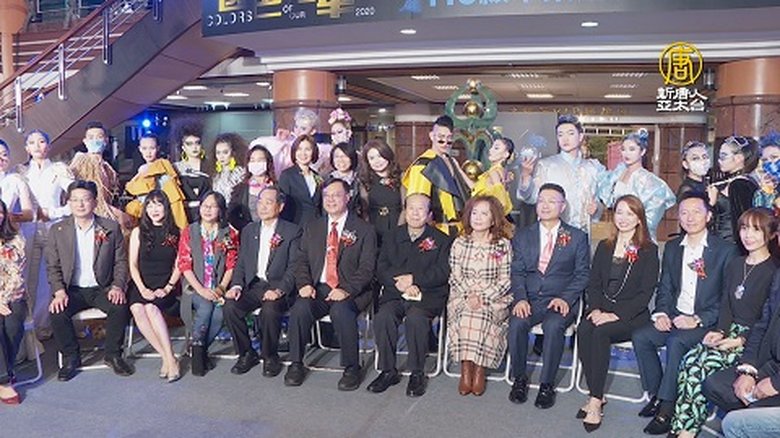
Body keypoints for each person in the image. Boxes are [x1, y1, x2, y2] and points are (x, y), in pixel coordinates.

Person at [632, 191, 737, 435]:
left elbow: (726, 298)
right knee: (642, 337)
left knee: (676, 341)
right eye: (684, 213)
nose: (690, 218)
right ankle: (658, 394)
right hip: (676, 315)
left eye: (696, 212)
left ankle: (667, 409)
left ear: (708, 216)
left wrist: (698, 319)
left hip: (706, 322)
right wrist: (661, 313)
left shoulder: (725, 250)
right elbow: (666, 287)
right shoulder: (672, 247)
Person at [672, 208, 778, 437]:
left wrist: (740, 340)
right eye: (744, 228)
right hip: (729, 331)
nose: (748, 235)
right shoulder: (735, 264)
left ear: (770, 234)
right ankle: (683, 426)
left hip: (752, 340)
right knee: (689, 359)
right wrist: (720, 330)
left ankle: (686, 431)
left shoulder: (773, 271)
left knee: (699, 367)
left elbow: (766, 321)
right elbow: (726, 304)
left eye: (756, 230)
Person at [283, 178, 376, 391]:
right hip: (319, 286)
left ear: (348, 197)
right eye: (327, 196)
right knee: (300, 308)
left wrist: (346, 290)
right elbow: (300, 260)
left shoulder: (364, 230)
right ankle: (296, 363)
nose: (331, 200)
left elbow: (367, 269)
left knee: (341, 311)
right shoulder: (313, 227)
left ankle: (352, 367)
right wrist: (304, 284)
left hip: (350, 288)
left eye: (336, 195)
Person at [576, 195, 659, 432]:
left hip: (631, 316)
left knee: (600, 333)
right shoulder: (605, 246)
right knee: (584, 329)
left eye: (630, 214)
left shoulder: (649, 250)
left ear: (639, 219)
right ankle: (597, 393)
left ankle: (594, 400)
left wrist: (616, 315)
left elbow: (645, 293)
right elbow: (593, 284)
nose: (623, 218)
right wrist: (595, 308)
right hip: (602, 309)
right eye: (619, 212)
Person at [508, 183, 590, 409]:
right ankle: (519, 379)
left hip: (560, 299)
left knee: (554, 326)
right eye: (541, 201)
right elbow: (517, 271)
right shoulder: (523, 235)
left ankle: (547, 384)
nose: (545, 205)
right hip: (531, 298)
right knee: (517, 323)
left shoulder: (577, 237)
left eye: (552, 201)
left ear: (562, 206)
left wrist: (566, 298)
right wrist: (521, 298)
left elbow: (582, 274)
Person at [47, 180, 133, 381]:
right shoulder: (57, 230)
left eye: (85, 199)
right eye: (75, 200)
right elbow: (52, 267)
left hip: (102, 287)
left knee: (119, 307)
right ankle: (71, 358)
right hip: (72, 289)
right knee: (57, 312)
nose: (80, 204)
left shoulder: (110, 227)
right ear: (69, 203)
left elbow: (121, 262)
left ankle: (113, 355)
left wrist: (117, 286)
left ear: (94, 202)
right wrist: (59, 292)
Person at [368, 193, 452, 397]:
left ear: (429, 214)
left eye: (421, 209)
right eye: (411, 208)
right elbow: (381, 267)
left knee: (416, 319)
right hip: (396, 292)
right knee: (384, 317)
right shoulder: (391, 236)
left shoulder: (442, 240)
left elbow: (442, 272)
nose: (415, 213)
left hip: (426, 295)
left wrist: (415, 280)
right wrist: (401, 284)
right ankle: (388, 370)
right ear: (405, 212)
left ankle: (417, 372)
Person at [223, 186, 301, 377]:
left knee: (270, 309)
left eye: (269, 202)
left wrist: (279, 290)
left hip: (278, 286)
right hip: (254, 285)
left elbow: (295, 267)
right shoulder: (249, 230)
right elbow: (241, 262)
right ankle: (246, 353)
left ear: (280, 206)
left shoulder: (292, 231)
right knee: (230, 306)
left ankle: (270, 356)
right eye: (260, 202)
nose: (263, 206)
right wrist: (236, 285)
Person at [447, 195, 513, 397]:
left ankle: (479, 370)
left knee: (481, 314)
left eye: (484, 214)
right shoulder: (460, 243)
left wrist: (483, 297)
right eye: (474, 213)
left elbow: (506, 279)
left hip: (493, 298)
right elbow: (454, 276)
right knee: (467, 314)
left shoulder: (502, 245)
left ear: (493, 219)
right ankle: (466, 368)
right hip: (462, 295)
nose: (477, 218)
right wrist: (470, 295)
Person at [701, 265, 780, 421]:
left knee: (754, 414)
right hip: (772, 363)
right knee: (715, 385)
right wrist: (748, 371)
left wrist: (775, 384)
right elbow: (761, 326)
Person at [16, 130, 74, 340]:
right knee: (29, 279)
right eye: (32, 143)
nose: (37, 146)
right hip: (28, 230)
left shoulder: (59, 170)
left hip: (53, 228)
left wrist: (54, 212)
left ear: (48, 146)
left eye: (41, 142)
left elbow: (76, 198)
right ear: (26, 148)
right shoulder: (21, 172)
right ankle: (31, 328)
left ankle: (54, 323)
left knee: (54, 277)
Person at [176, 191, 238, 376]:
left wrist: (221, 288)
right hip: (193, 286)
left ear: (221, 210)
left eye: (213, 206)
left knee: (219, 313)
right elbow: (184, 265)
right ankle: (198, 358)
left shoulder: (229, 233)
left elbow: (232, 264)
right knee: (205, 307)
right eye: (205, 205)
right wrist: (201, 290)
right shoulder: (190, 231)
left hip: (218, 287)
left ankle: (198, 350)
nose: (208, 209)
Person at [517, 114, 605, 235]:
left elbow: (598, 201)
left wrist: (596, 208)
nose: (565, 139)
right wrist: (526, 176)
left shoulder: (592, 168)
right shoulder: (546, 165)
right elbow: (531, 198)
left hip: (583, 232)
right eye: (560, 135)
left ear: (580, 137)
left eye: (570, 133)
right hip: (553, 231)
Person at [127, 191, 182, 383]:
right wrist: (142, 288)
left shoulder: (176, 232)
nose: (154, 210)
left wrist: (168, 287)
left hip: (166, 284)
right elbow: (133, 264)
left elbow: (180, 265)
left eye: (158, 205)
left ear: (166, 207)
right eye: (150, 205)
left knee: (151, 308)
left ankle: (169, 359)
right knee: (137, 308)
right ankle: (168, 357)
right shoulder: (138, 232)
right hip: (141, 283)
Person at [597, 129, 676, 241]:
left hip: (640, 234)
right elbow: (607, 199)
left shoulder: (650, 181)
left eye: (632, 149)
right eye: (623, 149)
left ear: (642, 151)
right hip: (619, 228)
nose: (626, 153)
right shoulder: (618, 173)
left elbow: (652, 216)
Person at [402, 115, 472, 235]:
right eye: (440, 138)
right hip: (437, 229)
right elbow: (418, 203)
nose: (445, 143)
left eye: (449, 139)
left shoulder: (451, 161)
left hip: (460, 229)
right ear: (431, 136)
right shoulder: (423, 165)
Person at [124, 132, 188, 229]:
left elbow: (174, 199)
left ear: (158, 148)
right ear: (140, 149)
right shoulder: (142, 169)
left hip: (164, 214)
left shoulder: (162, 165)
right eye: (144, 148)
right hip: (146, 215)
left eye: (152, 148)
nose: (148, 152)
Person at [708, 135, 759, 254]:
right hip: (722, 245)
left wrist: (712, 204)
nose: (719, 161)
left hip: (730, 247)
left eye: (723, 156)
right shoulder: (735, 182)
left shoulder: (740, 184)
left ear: (739, 158)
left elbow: (743, 220)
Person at [68, 121, 125, 226]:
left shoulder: (107, 168)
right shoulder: (81, 162)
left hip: (104, 213)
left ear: (106, 140)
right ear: (85, 141)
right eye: (91, 137)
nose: (95, 140)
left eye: (99, 137)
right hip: (90, 215)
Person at [0, 200, 28, 404]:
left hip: (13, 296)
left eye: (0, 212)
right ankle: (4, 380)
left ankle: (5, 371)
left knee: (12, 327)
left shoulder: (16, 239)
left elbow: (16, 275)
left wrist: (3, 299)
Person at [358, 139, 403, 248]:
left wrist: (400, 230)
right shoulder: (364, 181)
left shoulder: (401, 177)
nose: (377, 161)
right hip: (374, 226)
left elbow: (405, 207)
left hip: (397, 224)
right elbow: (364, 211)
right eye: (372, 158)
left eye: (380, 156)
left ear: (387, 155)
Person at [227, 144, 276, 232]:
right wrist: (248, 228)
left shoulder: (276, 187)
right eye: (252, 160)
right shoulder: (240, 189)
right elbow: (232, 215)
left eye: (260, 160)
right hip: (249, 233)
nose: (256, 163)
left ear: (268, 162)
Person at [278, 134, 322, 226]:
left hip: (316, 226)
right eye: (299, 149)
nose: (303, 153)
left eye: (307, 149)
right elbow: (283, 205)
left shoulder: (317, 176)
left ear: (313, 152)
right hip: (295, 226)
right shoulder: (287, 175)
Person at [173, 120, 212, 223]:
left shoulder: (210, 166)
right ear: (183, 147)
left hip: (207, 215)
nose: (194, 147)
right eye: (189, 144)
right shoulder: (176, 168)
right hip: (184, 215)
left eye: (197, 143)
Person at [472, 136, 515, 216]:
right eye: (491, 147)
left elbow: (501, 201)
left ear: (506, 154)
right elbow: (474, 187)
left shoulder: (494, 172)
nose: (490, 150)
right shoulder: (500, 172)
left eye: (496, 148)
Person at [211, 133, 248, 204]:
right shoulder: (215, 174)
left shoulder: (240, 172)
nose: (221, 156)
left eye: (225, 152)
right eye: (218, 153)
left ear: (233, 153)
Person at [329, 142, 362, 214]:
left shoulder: (360, 180)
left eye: (345, 156)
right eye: (337, 156)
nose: (341, 160)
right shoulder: (326, 180)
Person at [753, 131, 780, 213]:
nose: (769, 163)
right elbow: (760, 216)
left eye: (774, 157)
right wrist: (767, 192)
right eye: (765, 160)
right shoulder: (763, 190)